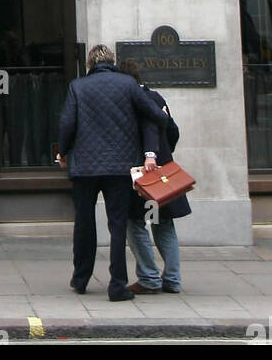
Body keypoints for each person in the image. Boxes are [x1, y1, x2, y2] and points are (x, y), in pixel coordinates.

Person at [56, 44, 165, 301]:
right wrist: (157, 138)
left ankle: (81, 278)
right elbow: (153, 113)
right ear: (112, 61)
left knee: (84, 222)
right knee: (117, 225)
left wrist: (62, 151)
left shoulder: (78, 86)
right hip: (120, 167)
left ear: (89, 64)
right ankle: (117, 284)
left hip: (84, 166)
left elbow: (67, 123)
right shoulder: (127, 84)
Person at [119, 59, 190, 295]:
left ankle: (149, 278)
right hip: (163, 171)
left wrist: (150, 155)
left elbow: (148, 130)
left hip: (143, 173)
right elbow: (173, 131)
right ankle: (172, 278)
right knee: (164, 223)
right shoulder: (157, 98)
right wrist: (165, 153)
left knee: (136, 222)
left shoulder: (134, 101)